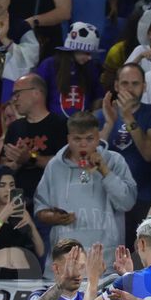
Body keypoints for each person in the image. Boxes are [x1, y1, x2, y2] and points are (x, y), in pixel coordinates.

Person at [34, 111, 136, 271]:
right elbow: (40, 208)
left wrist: (104, 170)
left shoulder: (114, 161)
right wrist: (53, 217)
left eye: (89, 139)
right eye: (77, 139)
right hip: (64, 263)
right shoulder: (55, 166)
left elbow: (127, 202)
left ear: (98, 137)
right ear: (68, 139)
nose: (83, 145)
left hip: (105, 264)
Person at [98, 63, 151, 245]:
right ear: (116, 86)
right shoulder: (102, 115)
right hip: (108, 199)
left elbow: (148, 153)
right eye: (125, 83)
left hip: (144, 197)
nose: (130, 89)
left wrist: (128, 117)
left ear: (144, 86)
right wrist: (109, 124)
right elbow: (93, 157)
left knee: (141, 257)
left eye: (135, 84)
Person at [0, 73, 68, 206]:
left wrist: (31, 158)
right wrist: (14, 164)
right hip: (17, 202)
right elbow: (3, 166)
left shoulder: (60, 124)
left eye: (17, 94)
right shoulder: (15, 127)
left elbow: (66, 163)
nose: (14, 100)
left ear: (36, 93)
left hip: (51, 200)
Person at [0, 166, 44, 279]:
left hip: (24, 273)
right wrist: (4, 215)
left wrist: (31, 225)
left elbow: (40, 251)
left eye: (12, 185)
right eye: (2, 185)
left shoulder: (21, 213)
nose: (8, 189)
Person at [37, 22, 103, 118]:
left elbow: (98, 97)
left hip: (83, 128)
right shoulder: (49, 65)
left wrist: (92, 119)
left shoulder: (91, 67)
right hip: (52, 126)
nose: (90, 58)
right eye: (86, 53)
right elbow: (37, 96)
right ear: (74, 49)